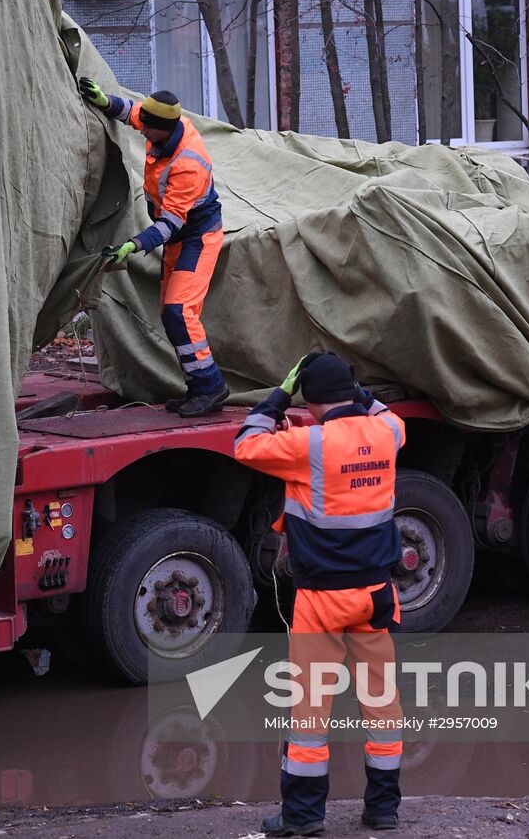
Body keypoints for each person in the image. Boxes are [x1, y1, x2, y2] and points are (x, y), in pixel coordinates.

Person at [233, 352, 406, 835]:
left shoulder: (307, 443)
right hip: (376, 593)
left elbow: (246, 444)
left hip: (321, 599)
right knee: (381, 703)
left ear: (310, 401)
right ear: (351, 393)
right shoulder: (389, 433)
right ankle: (384, 810)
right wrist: (358, 390)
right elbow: (381, 414)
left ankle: (304, 818)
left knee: (309, 712)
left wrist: (279, 394)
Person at [77, 77, 230, 417]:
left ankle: (211, 387)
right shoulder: (162, 126)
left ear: (163, 129)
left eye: (147, 128)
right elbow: (134, 113)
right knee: (170, 315)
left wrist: (133, 246)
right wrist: (107, 103)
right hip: (180, 239)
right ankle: (198, 385)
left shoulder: (187, 162)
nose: (141, 131)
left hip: (198, 237)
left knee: (180, 312)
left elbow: (170, 224)